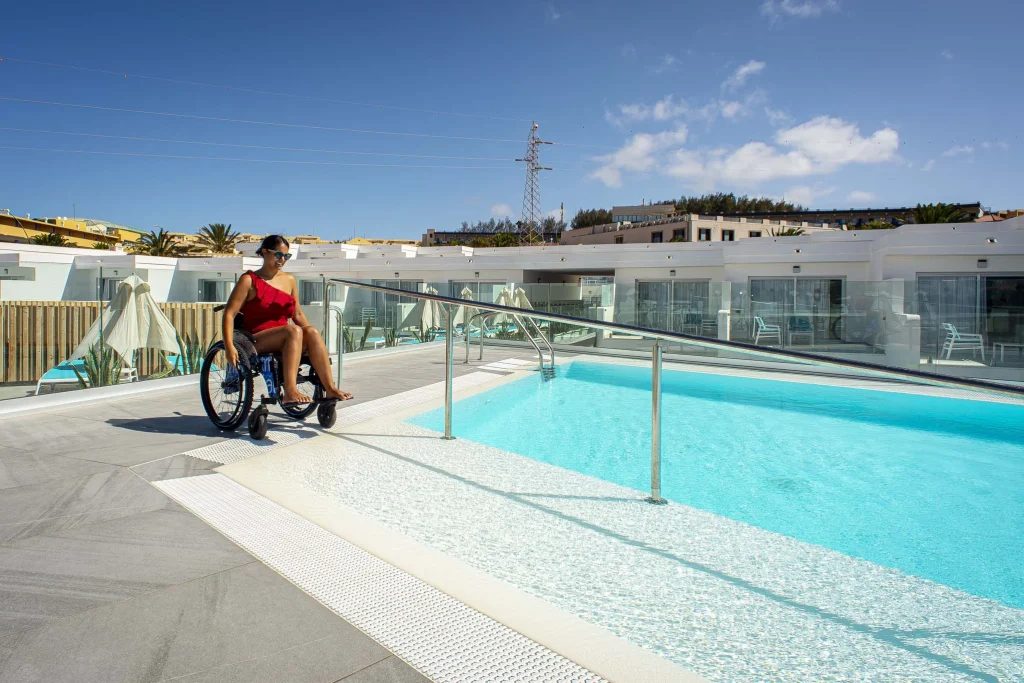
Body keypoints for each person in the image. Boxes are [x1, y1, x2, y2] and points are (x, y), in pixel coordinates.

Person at [222, 235, 352, 407]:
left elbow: (297, 314)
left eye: (286, 256)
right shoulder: (249, 281)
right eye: (278, 255)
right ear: (264, 252)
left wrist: (312, 339)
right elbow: (229, 314)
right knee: (293, 331)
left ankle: (330, 389)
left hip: (288, 337)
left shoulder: (289, 280)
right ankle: (290, 392)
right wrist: (229, 346)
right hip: (256, 340)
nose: (282, 260)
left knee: (310, 331)